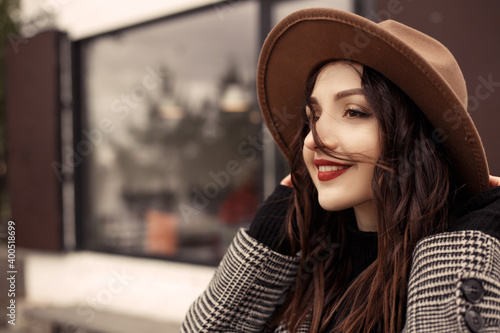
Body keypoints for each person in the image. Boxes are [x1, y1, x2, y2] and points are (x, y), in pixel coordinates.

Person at [181, 8, 500, 333]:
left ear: (422, 139)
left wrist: (464, 248)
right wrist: (270, 233)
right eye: (312, 116)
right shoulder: (305, 265)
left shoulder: (474, 275)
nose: (315, 140)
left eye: (354, 111)